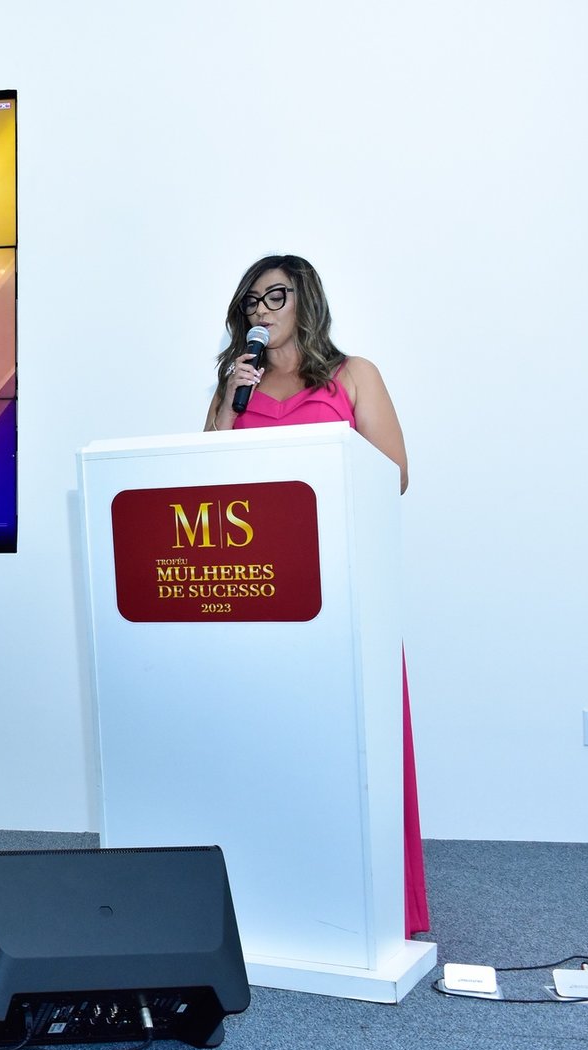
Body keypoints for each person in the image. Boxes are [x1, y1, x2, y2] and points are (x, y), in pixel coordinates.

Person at [204, 253, 428, 937]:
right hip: (260, 589)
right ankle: (279, 898)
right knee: (271, 740)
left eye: (276, 295)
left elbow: (393, 474)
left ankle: (369, 901)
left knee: (350, 745)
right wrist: (228, 401)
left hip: (340, 583)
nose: (262, 309)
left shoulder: (353, 375)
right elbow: (203, 478)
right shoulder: (236, 385)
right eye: (252, 300)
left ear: (306, 299)